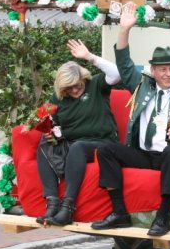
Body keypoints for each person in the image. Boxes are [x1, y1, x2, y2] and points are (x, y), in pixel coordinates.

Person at [92, 2, 170, 236]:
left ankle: (163, 216)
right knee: (106, 150)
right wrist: (124, 29)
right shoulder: (142, 85)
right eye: (163, 70)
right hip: (143, 154)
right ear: (153, 71)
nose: (168, 74)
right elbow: (124, 64)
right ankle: (119, 213)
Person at [34, 40, 121, 226]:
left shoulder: (96, 85)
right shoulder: (58, 98)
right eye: (69, 87)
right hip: (73, 145)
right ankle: (52, 202)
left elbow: (117, 74)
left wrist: (90, 57)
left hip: (103, 144)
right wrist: (51, 134)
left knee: (78, 147)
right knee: (44, 144)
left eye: (78, 85)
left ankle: (68, 208)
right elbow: (50, 124)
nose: (74, 90)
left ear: (84, 79)